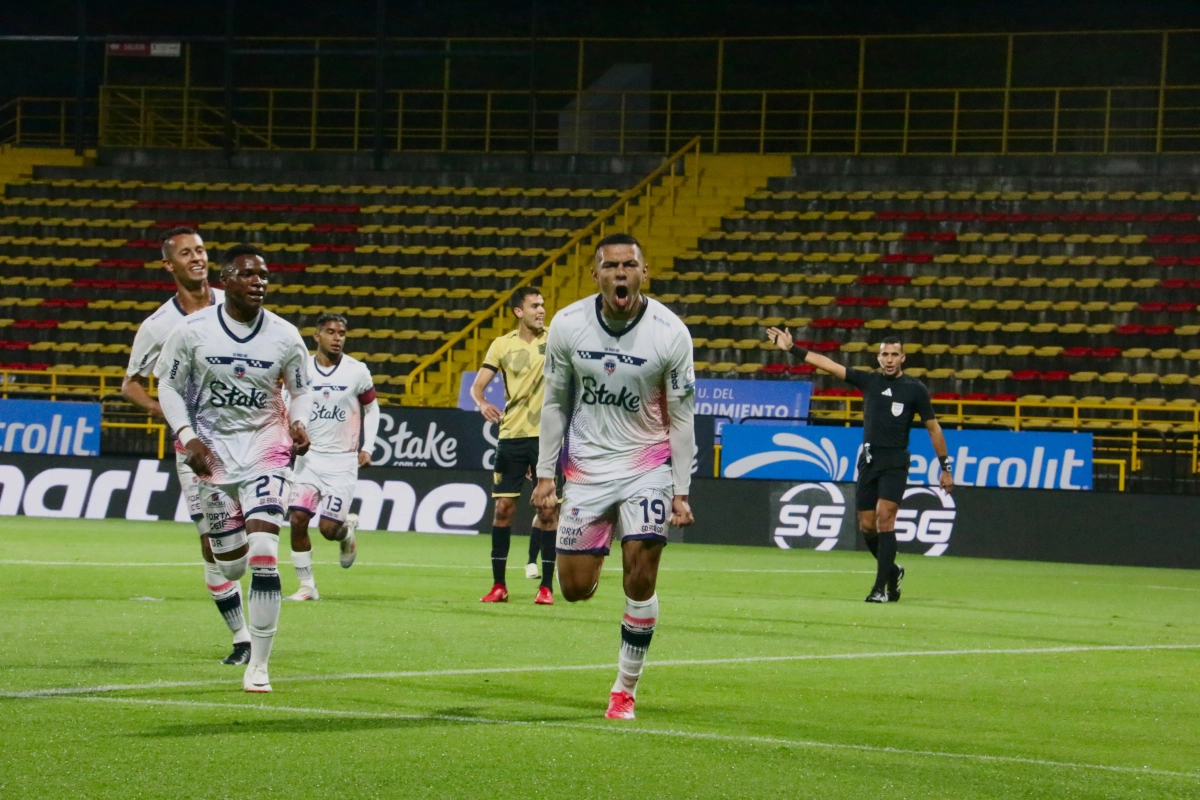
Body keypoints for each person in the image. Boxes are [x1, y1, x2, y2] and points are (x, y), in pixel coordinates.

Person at [532, 233, 696, 720]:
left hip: (648, 466)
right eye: (610, 266)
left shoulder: (670, 332)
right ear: (595, 274)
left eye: (629, 265)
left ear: (644, 272)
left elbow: (684, 416)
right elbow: (556, 402)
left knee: (641, 575)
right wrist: (546, 476)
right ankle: (596, 553)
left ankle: (625, 687)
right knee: (575, 589)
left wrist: (682, 489)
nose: (620, 273)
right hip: (586, 470)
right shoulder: (567, 325)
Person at [155, 243, 312, 693]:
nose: (258, 282)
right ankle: (233, 566)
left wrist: (298, 422)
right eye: (248, 275)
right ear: (225, 281)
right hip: (214, 454)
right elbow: (167, 386)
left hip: (268, 449)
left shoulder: (285, 335)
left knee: (264, 551)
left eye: (263, 275)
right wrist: (188, 437)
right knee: (232, 567)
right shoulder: (193, 330)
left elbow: (300, 389)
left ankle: (259, 664)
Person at [121, 226, 251, 665]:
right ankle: (242, 637)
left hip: (249, 437)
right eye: (186, 253)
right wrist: (174, 419)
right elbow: (131, 386)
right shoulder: (158, 325)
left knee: (263, 528)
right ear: (168, 264)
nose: (197, 258)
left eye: (201, 250)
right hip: (196, 451)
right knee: (212, 542)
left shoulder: (234, 302)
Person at [765, 329, 954, 602]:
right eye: (884, 355)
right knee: (867, 526)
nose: (889, 360)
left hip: (895, 461)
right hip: (868, 461)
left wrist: (945, 467)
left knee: (885, 518)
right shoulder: (869, 381)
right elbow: (827, 364)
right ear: (878, 357)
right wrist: (792, 348)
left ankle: (879, 589)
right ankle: (892, 572)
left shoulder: (915, 389)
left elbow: (934, 429)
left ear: (903, 358)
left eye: (894, 355)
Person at [472, 286, 559, 605]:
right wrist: (481, 403)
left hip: (547, 438)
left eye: (543, 305)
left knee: (548, 509)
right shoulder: (501, 345)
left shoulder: (555, 339)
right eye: (535, 305)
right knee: (503, 509)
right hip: (511, 435)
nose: (541, 310)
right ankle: (499, 586)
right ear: (517, 311)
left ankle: (546, 587)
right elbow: (477, 386)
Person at [284, 313, 379, 601]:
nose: (337, 338)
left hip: (342, 463)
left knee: (328, 529)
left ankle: (345, 532)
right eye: (331, 332)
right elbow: (288, 406)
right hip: (308, 461)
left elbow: (372, 409)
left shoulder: (357, 371)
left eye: (341, 333)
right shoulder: (301, 371)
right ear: (317, 336)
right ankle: (307, 586)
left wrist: (368, 446)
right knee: (298, 518)